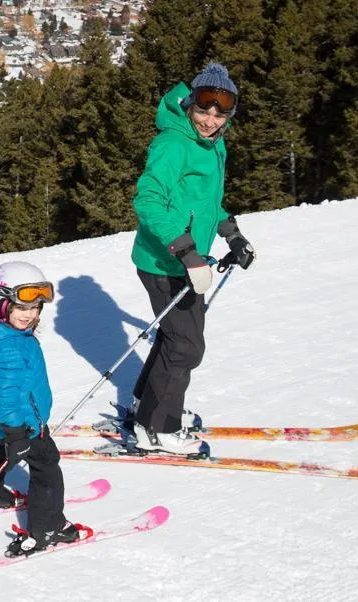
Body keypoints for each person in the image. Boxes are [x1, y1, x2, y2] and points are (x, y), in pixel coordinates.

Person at [125, 62, 256, 456]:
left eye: (219, 115)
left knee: (174, 338)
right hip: (165, 262)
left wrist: (231, 233)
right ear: (189, 105)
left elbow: (205, 203)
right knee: (186, 346)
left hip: (187, 260)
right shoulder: (173, 144)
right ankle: (156, 428)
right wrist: (186, 252)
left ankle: (145, 405)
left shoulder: (213, 145)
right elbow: (148, 201)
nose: (209, 121)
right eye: (203, 111)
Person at [0, 260, 90, 556]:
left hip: (3, 422)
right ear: (0, 304)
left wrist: (5, 425)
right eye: (21, 307)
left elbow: (0, 390)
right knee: (46, 466)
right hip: (23, 424)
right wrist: (17, 432)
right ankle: (48, 527)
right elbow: (4, 393)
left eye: (35, 308)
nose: (29, 314)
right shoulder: (10, 346)